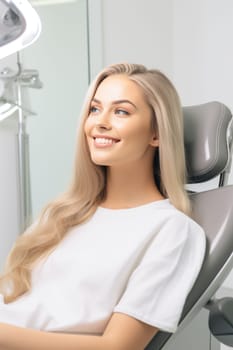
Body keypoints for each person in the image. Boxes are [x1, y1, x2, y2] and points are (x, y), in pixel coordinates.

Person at [0, 63, 206, 350]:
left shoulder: (172, 230)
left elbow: (119, 347)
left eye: (121, 111)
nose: (100, 122)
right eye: (95, 109)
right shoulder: (62, 215)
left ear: (156, 134)